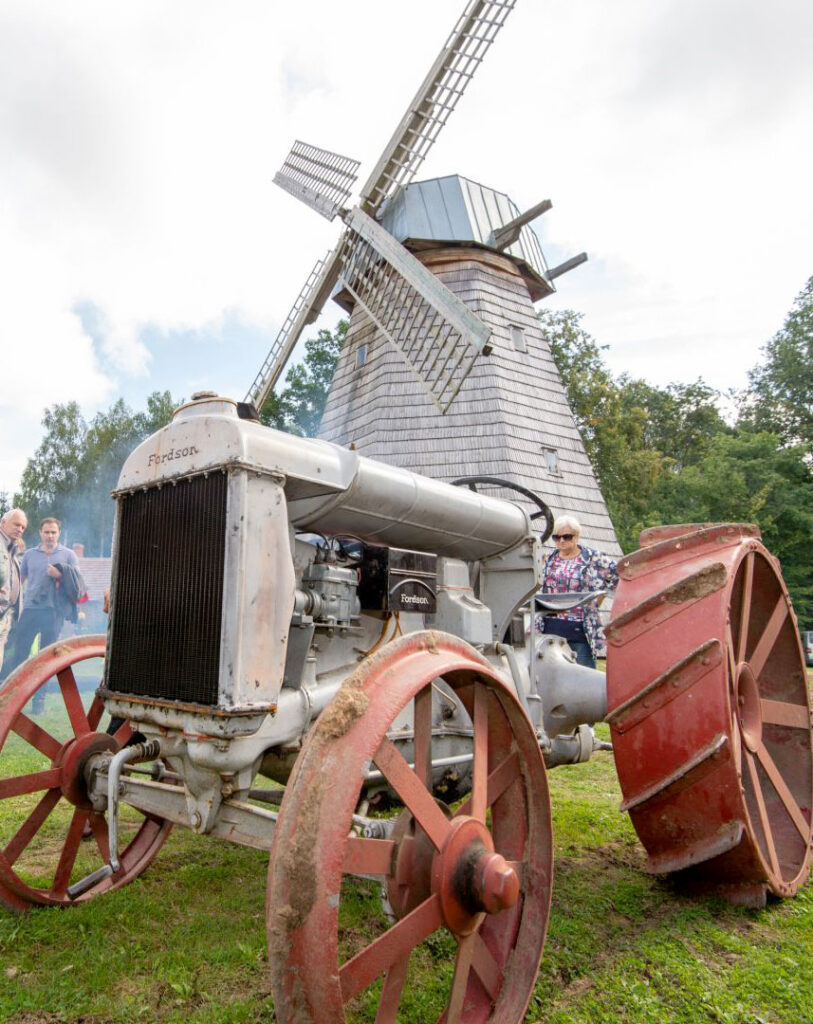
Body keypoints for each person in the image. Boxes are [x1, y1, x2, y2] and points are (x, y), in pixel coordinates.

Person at [3, 517, 85, 705]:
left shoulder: (68, 555)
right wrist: (9, 603)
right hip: (30, 609)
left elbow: (77, 582)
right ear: (40, 533)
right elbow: (19, 580)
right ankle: (15, 698)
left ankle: (39, 700)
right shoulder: (30, 555)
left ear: (59, 533)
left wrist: (61, 574)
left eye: (53, 532)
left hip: (54, 611)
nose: (50, 536)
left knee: (46, 657)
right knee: (20, 655)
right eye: (46, 532)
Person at [535, 514, 618, 669]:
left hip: (580, 629)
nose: (561, 541)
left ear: (577, 537)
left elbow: (618, 575)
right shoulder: (549, 560)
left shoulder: (594, 559)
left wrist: (596, 599)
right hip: (551, 627)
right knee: (552, 674)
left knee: (585, 676)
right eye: (557, 537)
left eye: (566, 537)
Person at [0, 508, 27, 675]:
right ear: (3, 523)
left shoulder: (11, 548)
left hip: (5, 615)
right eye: (17, 524)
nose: (20, 529)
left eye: (23, 527)